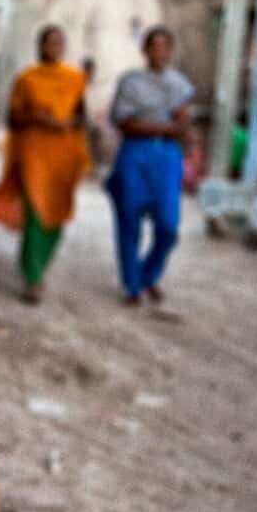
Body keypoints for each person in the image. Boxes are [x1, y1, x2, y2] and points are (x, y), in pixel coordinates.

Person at [0, 25, 89, 304]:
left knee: (55, 212)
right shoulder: (27, 79)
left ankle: (39, 264)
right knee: (35, 212)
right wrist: (37, 118)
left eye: (59, 42)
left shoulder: (75, 78)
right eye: (50, 41)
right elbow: (13, 119)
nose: (54, 46)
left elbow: (81, 116)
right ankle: (33, 277)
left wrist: (66, 123)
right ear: (40, 45)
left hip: (63, 156)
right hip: (33, 154)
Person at [106, 26, 195, 305]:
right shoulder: (131, 82)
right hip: (134, 154)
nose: (159, 51)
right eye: (153, 45)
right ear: (144, 50)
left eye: (164, 46)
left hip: (167, 157)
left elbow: (183, 121)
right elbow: (124, 123)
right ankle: (132, 286)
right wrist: (167, 127)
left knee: (168, 226)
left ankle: (148, 274)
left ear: (170, 50)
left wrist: (169, 129)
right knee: (129, 220)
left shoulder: (180, 84)